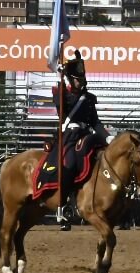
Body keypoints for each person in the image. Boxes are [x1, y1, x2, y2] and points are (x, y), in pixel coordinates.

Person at [33, 50, 111, 230]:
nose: (81, 81)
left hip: (88, 134)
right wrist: (60, 78)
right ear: (70, 78)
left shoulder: (89, 99)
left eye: (82, 78)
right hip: (70, 135)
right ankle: (64, 202)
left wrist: (108, 136)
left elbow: (96, 122)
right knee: (69, 162)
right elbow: (61, 109)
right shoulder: (63, 95)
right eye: (77, 78)